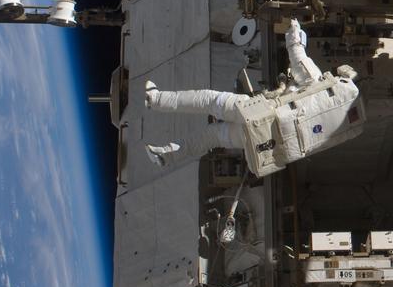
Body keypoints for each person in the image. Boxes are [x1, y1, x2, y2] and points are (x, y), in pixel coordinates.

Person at [144, 19, 364, 176]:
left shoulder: (320, 85)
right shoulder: (341, 126)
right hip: (263, 142)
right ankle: (165, 155)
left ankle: (155, 99)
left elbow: (297, 54)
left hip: (256, 113)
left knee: (209, 100)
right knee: (211, 136)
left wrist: (294, 27)